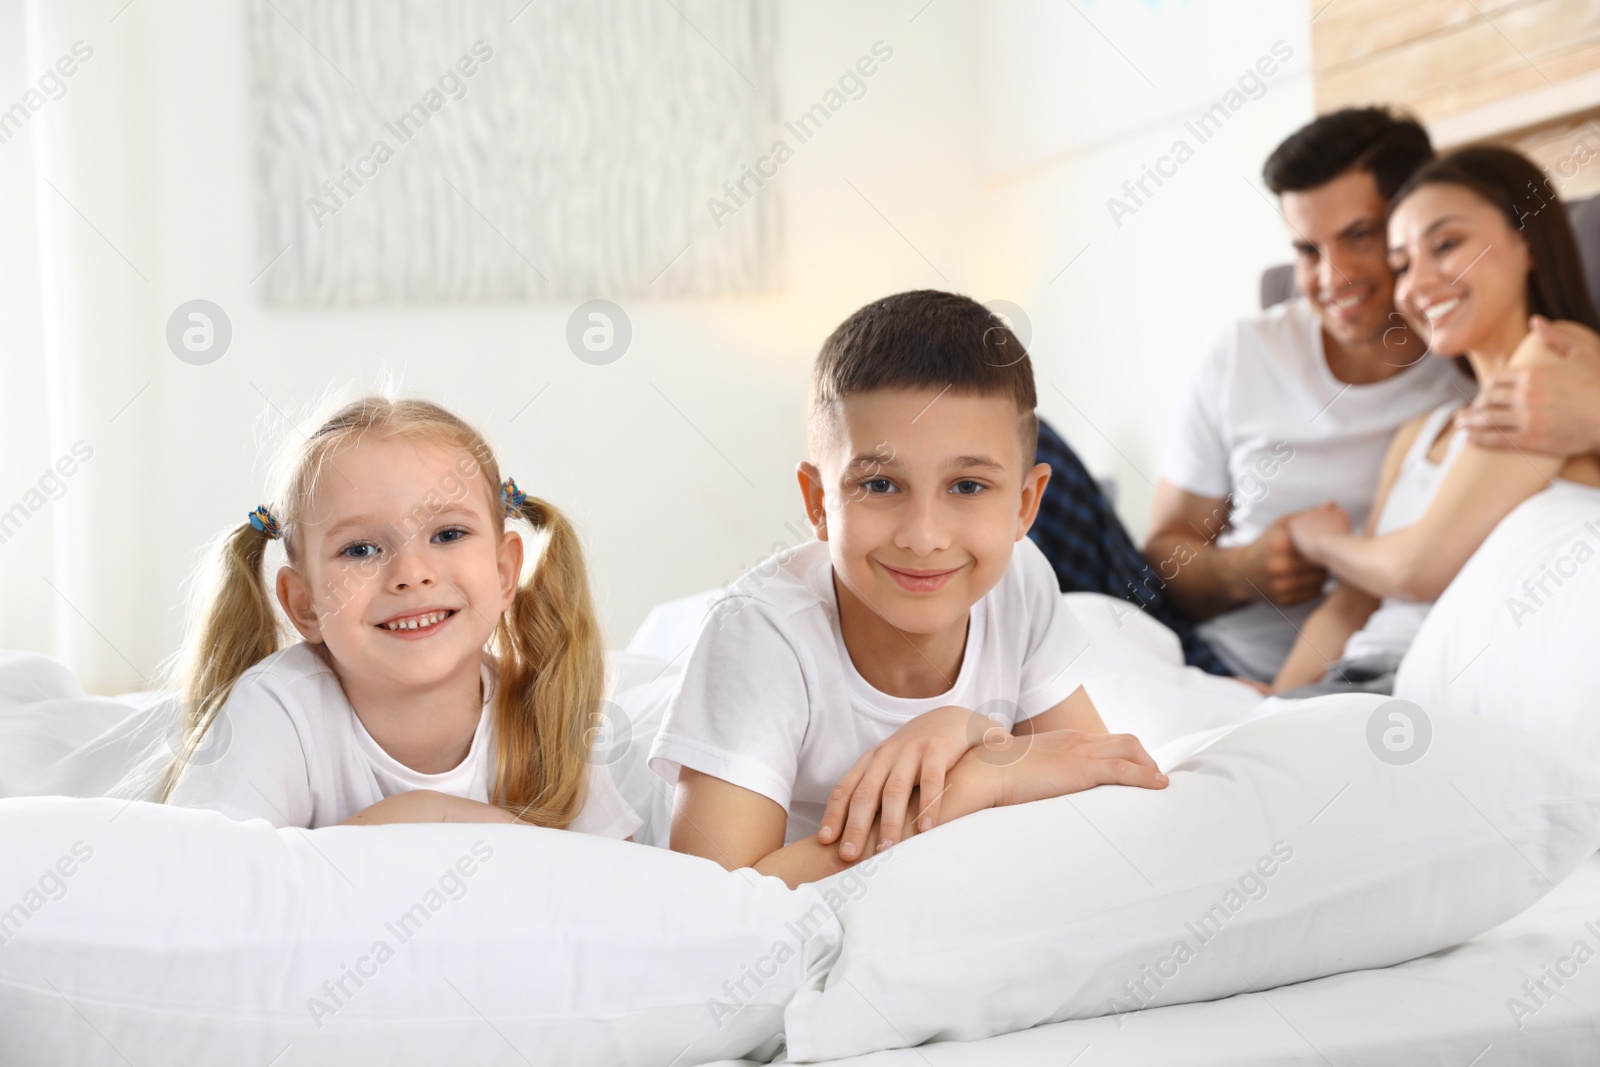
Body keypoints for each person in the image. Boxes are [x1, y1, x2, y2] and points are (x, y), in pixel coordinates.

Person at [649, 290, 1167, 889]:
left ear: (1025, 505)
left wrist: (970, 733)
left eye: (968, 487)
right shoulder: (760, 634)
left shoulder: (1021, 580)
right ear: (819, 503)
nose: (924, 537)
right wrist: (976, 779)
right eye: (880, 485)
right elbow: (710, 897)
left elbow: (1091, 771)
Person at [159, 396, 640, 838]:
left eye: (448, 534)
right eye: (361, 549)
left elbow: (630, 888)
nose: (411, 574)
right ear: (304, 604)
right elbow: (204, 879)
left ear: (503, 572)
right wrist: (427, 815)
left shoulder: (545, 712)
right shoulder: (279, 706)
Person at [1143, 107, 1469, 683]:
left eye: (1358, 236)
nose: (1333, 277)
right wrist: (1242, 570)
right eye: (1308, 251)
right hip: (1204, 656)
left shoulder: (1468, 372)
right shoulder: (1243, 351)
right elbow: (1165, 549)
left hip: (1348, 675)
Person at [1272, 147, 1600, 694]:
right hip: (1345, 682)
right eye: (1401, 264)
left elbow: (1417, 567)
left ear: (1528, 242)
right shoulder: (1419, 433)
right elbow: (1351, 605)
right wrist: (1269, 702)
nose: (1417, 284)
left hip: (1416, 688)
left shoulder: (1561, 363)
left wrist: (1322, 544)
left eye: (1446, 246)